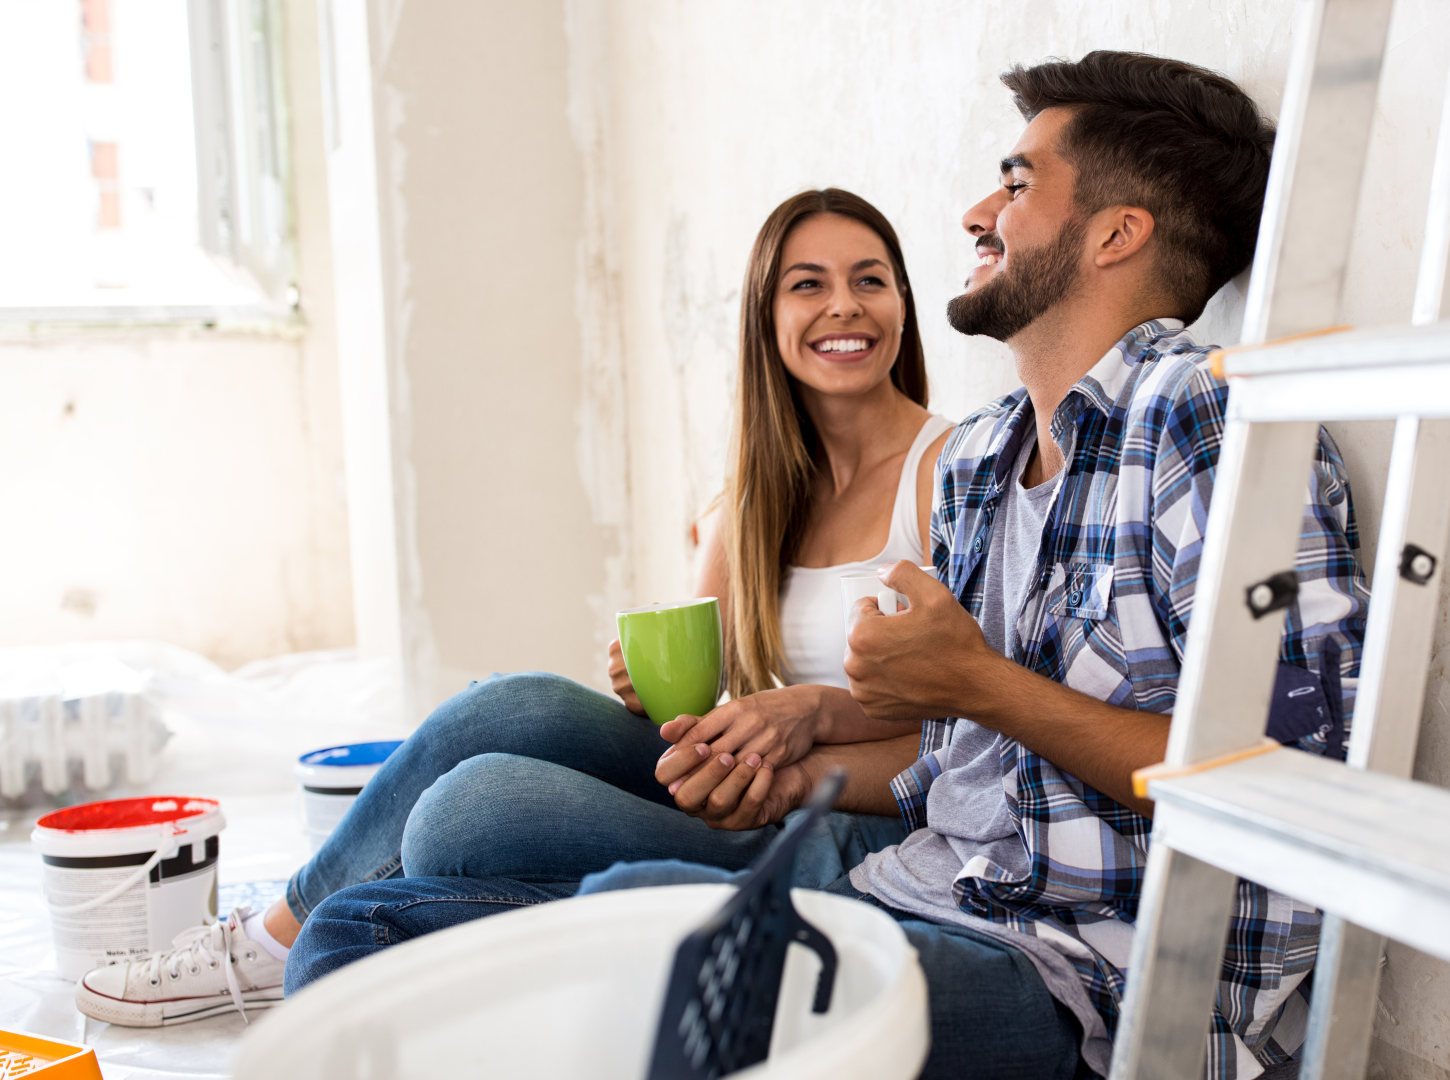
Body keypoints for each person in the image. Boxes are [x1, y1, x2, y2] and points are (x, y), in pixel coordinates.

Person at [289, 51, 1369, 1080]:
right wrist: (803, 743)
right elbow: (957, 773)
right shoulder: (990, 458)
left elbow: (1290, 789)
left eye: (1017, 181)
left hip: (1078, 980)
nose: (977, 214)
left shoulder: (1206, 424)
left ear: (1114, 235)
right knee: (355, 934)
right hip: (922, 889)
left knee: (646, 917)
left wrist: (973, 685)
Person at [72, 188, 953, 1028]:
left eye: (869, 279)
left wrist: (798, 744)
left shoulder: (952, 474)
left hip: (865, 817)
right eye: (810, 284)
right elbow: (706, 714)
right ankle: (277, 938)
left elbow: (981, 734)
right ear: (766, 319)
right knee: (512, 706)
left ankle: (320, 937)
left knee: (464, 819)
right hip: (755, 787)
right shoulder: (754, 503)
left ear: (903, 305)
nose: (845, 306)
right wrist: (660, 697)